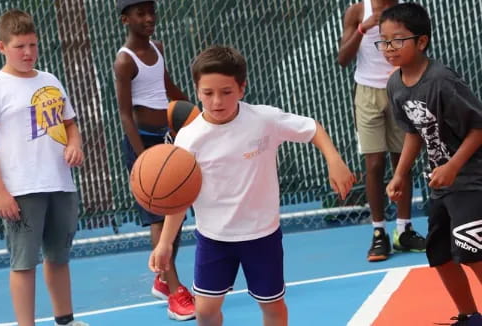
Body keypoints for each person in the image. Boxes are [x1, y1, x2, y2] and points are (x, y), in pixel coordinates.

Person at [148, 45, 356, 326]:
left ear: (242, 88)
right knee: (207, 310)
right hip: (213, 239)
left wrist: (334, 160)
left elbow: (312, 128)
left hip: (262, 236)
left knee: (272, 307)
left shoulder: (263, 120)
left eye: (226, 92)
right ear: (197, 91)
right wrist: (164, 244)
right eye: (208, 93)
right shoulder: (189, 138)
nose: (217, 101)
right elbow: (180, 197)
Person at [0, 9, 88, 326]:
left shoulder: (50, 80)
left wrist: (74, 144)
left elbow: (70, 125)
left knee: (59, 257)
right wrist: (0, 192)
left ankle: (66, 320)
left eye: (33, 45)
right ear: (1, 47)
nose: (28, 53)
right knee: (24, 263)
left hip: (60, 184)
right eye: (20, 46)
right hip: (21, 189)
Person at [381, 3, 482, 325]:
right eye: (383, 41)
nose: (389, 48)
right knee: (438, 254)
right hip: (439, 184)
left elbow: (478, 127)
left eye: (397, 40)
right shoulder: (395, 84)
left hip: (469, 179)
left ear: (421, 42)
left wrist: (452, 166)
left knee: (471, 249)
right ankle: (469, 316)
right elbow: (413, 132)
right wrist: (400, 174)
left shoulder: (441, 80)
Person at [113, 0, 195, 321]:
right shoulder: (124, 61)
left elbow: (168, 88)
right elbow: (125, 114)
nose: (149, 18)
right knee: (159, 221)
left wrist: (197, 110)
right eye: (140, 13)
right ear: (125, 19)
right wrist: (143, 158)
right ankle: (175, 293)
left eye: (151, 12)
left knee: (177, 215)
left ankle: (162, 281)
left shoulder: (158, 48)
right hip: (143, 145)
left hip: (168, 139)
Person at [337, 0, 426, 262]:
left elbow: (420, 46)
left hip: (400, 88)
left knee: (403, 163)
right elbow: (343, 58)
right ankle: (378, 233)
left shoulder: (405, 10)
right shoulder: (356, 11)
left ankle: (404, 230)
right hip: (367, 92)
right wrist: (363, 29)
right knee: (374, 164)